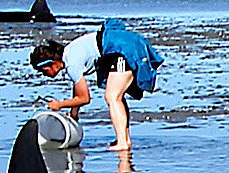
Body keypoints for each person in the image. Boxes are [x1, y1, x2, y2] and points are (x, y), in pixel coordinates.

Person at [31, 17, 162, 157]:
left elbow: (84, 98)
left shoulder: (71, 64)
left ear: (52, 63)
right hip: (121, 44)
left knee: (112, 96)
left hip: (121, 49)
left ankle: (122, 142)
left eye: (44, 71)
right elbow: (77, 90)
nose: (45, 75)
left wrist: (59, 105)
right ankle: (125, 139)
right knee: (117, 96)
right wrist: (74, 114)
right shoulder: (69, 55)